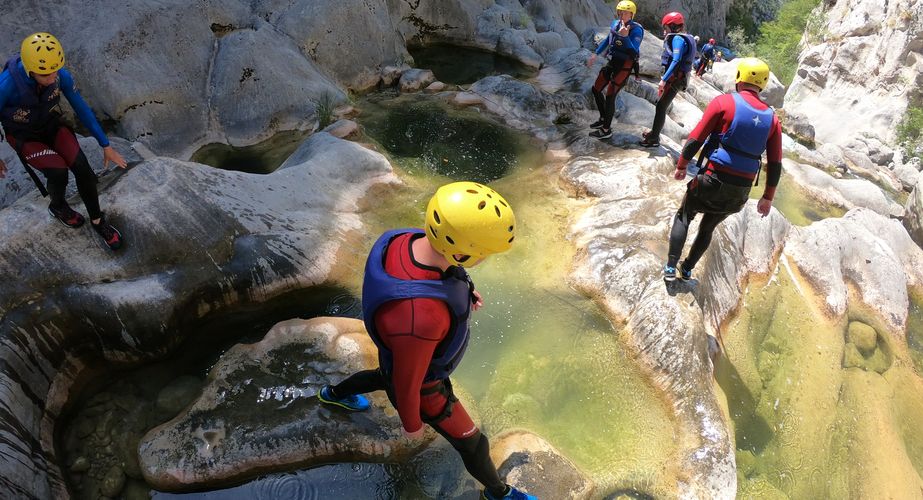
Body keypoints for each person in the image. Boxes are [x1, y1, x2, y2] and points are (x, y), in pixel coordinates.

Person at [318, 182, 536, 500]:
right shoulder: (421, 317)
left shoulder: (406, 239)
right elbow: (409, 382)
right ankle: (498, 493)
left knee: (383, 376)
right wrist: (411, 422)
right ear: (460, 251)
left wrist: (464, 287)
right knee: (474, 444)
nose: (485, 258)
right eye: (483, 253)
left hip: (396, 354)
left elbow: (443, 268)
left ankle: (333, 393)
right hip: (423, 386)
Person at [0, 33, 126, 250]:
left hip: (50, 125)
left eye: (55, 70)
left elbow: (81, 107)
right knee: (58, 171)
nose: (52, 77)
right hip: (23, 136)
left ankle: (98, 221)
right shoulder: (7, 85)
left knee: (83, 168)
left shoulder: (59, 76)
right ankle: (58, 206)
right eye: (45, 73)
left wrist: (105, 145)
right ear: (31, 70)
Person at [664, 58, 782, 281]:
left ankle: (671, 267)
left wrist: (681, 165)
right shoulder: (772, 119)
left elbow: (696, 138)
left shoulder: (724, 103)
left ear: (739, 78)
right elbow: (775, 163)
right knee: (708, 228)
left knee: (684, 216)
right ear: (763, 84)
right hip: (740, 191)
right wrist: (768, 197)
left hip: (711, 179)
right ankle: (687, 269)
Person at [585, 0, 644, 140]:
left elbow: (634, 52)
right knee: (596, 89)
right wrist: (595, 54)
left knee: (610, 95)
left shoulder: (636, 30)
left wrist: (625, 36)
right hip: (613, 61)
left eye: (624, 12)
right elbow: (608, 40)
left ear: (631, 14)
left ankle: (606, 130)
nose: (621, 14)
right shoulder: (615, 24)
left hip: (625, 65)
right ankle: (603, 118)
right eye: (620, 11)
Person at [639, 12, 697, 148]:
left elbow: (676, 60)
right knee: (661, 105)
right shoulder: (683, 37)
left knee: (661, 107)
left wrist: (663, 80)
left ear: (673, 26)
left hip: (675, 79)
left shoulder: (678, 39)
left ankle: (654, 138)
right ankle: (654, 133)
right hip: (677, 78)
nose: (664, 30)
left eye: (666, 27)